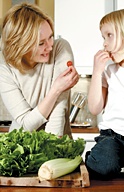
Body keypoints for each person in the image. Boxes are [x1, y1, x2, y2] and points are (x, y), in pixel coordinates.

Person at [0, 3, 79, 138]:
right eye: (41, 43)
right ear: (21, 46)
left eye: (50, 37)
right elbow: (26, 124)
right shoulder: (4, 66)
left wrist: (52, 150)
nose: (49, 46)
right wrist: (56, 90)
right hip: (22, 144)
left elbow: (58, 114)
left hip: (57, 141)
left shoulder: (60, 48)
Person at [85, 8, 124, 179]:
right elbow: (95, 108)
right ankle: (98, 158)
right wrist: (97, 72)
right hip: (112, 137)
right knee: (102, 167)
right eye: (103, 37)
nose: (104, 43)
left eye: (109, 35)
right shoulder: (109, 71)